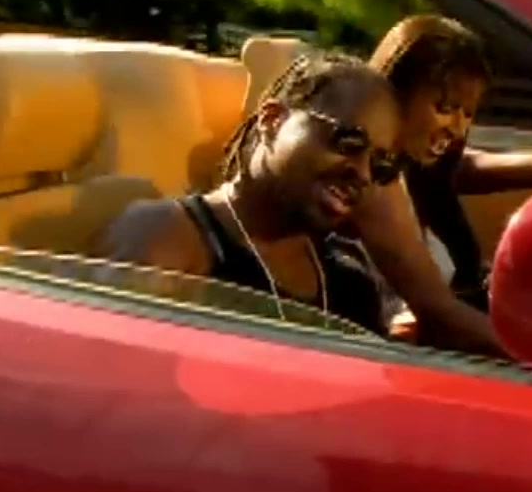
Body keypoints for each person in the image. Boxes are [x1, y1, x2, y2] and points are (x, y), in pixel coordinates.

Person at [346, 15, 532, 351]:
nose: (457, 128)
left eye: (468, 113)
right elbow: (440, 314)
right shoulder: (360, 184)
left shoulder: (427, 173)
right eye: (445, 107)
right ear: (394, 92)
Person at [99, 50, 402, 336]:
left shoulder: (350, 284)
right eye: (349, 143)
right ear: (272, 121)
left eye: (380, 164)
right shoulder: (167, 237)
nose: (363, 174)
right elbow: (106, 361)